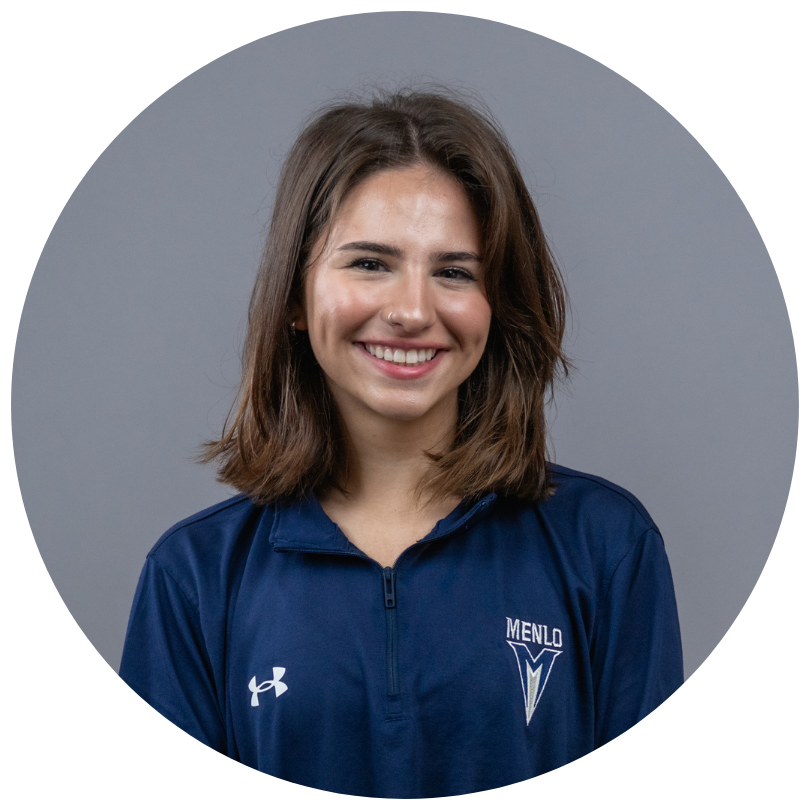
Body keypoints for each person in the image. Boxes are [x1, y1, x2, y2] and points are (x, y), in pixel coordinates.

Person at [119, 84, 688, 798]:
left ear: (496, 305)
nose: (413, 310)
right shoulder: (194, 578)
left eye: (454, 272)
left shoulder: (606, 546)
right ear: (295, 296)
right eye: (369, 263)